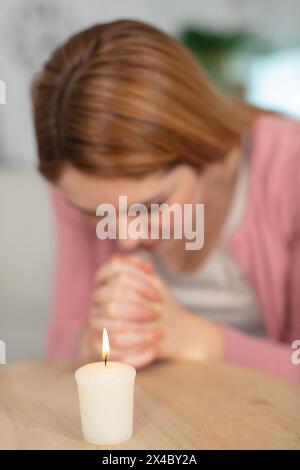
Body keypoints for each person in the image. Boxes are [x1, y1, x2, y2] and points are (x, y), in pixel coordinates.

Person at [31, 19, 300, 382]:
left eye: (151, 205)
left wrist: (202, 342)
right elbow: (62, 340)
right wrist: (92, 340)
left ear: (206, 149)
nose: (124, 239)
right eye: (97, 214)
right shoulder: (80, 182)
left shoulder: (288, 171)